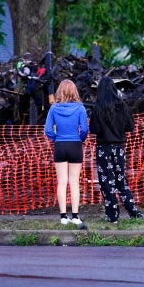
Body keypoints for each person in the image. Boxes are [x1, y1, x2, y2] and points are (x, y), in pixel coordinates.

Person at [89, 77, 143, 223]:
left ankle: (112, 215)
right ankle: (133, 211)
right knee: (121, 181)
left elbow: (94, 129)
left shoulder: (98, 108)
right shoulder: (122, 105)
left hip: (103, 149)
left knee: (107, 183)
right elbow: (130, 127)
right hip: (119, 148)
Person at [44, 79, 89, 225]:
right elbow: (84, 129)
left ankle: (63, 217)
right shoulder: (80, 108)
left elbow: (48, 130)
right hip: (75, 144)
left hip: (60, 145)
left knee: (62, 182)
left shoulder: (54, 108)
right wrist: (80, 139)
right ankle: (75, 216)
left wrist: (56, 138)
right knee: (74, 182)